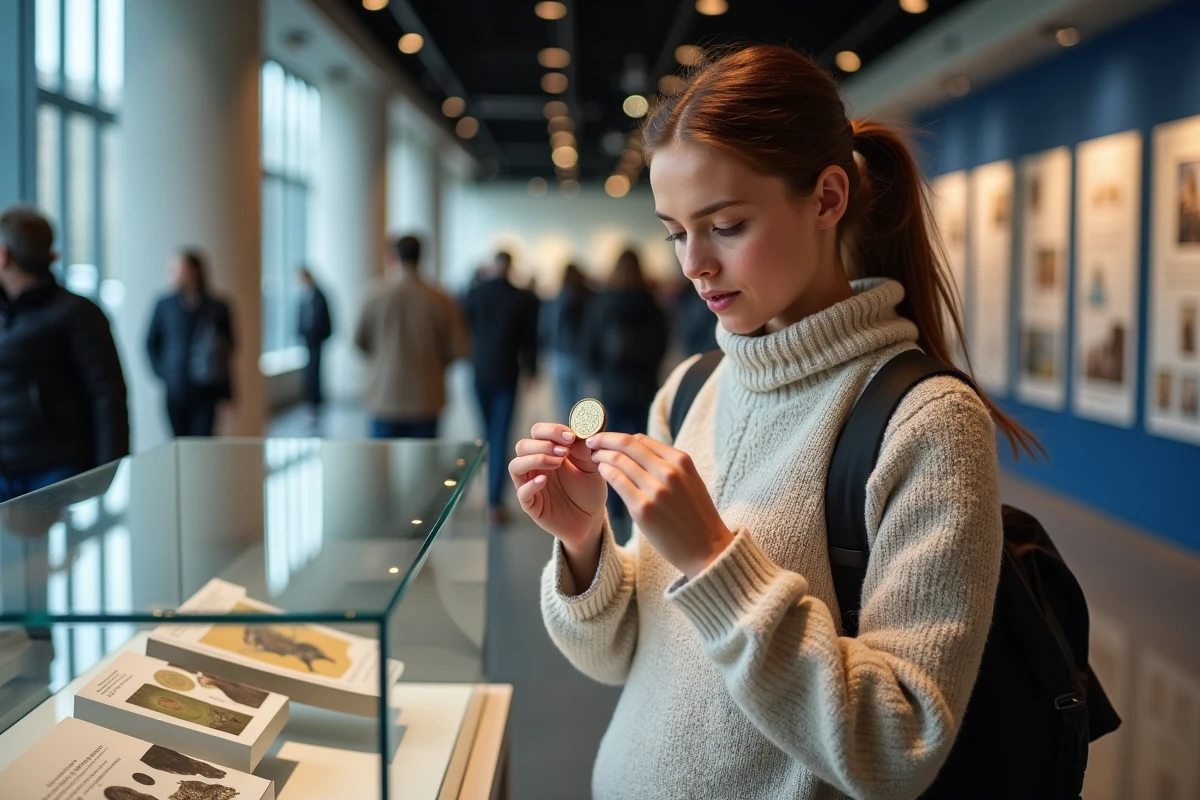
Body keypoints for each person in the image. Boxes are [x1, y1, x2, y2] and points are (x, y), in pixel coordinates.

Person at [509, 45, 1039, 800]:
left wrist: (712, 560)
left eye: (725, 225)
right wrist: (584, 543)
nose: (693, 264)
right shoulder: (690, 389)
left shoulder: (928, 422)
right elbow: (622, 657)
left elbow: (900, 744)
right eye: (674, 232)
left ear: (827, 199)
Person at [0, 206, 129, 502]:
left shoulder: (78, 313)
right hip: (6, 471)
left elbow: (107, 397)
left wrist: (106, 476)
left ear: (4, 256)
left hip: (56, 471)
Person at [578, 249, 668, 539]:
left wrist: (599, 373)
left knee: (610, 449)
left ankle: (615, 509)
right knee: (640, 448)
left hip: (613, 386)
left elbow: (589, 345)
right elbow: (662, 345)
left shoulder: (603, 303)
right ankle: (639, 506)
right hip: (643, 385)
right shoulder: (652, 304)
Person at [354, 235, 469, 439]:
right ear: (422, 257)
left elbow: (359, 341)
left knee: (381, 458)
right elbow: (459, 347)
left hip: (385, 395)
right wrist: (436, 363)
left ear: (393, 256)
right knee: (424, 458)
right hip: (426, 395)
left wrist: (383, 359)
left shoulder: (375, 294)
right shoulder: (441, 298)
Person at [463, 251, 539, 524]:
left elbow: (463, 329)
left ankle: (471, 493)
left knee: (485, 434)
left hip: (479, 370)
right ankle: (494, 502)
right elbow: (530, 339)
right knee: (500, 436)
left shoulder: (475, 294)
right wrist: (531, 370)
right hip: (507, 372)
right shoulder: (521, 298)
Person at [146, 249, 235, 438]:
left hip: (206, 391)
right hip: (176, 390)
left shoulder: (217, 307)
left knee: (203, 443)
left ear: (194, 271)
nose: (172, 274)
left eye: (177, 269)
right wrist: (164, 372)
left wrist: (227, 395)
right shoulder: (164, 305)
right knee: (178, 443)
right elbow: (150, 343)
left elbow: (226, 353)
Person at [542, 263, 593, 421]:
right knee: (582, 405)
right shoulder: (589, 300)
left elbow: (546, 329)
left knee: (565, 407)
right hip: (581, 357)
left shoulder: (556, 301)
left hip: (560, 356)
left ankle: (568, 433)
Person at [297, 267, 333, 420]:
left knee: (315, 371)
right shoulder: (304, 295)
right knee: (309, 372)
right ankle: (310, 402)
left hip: (317, 339)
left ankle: (316, 402)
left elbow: (325, 319)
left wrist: (322, 335)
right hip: (307, 339)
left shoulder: (319, 295)